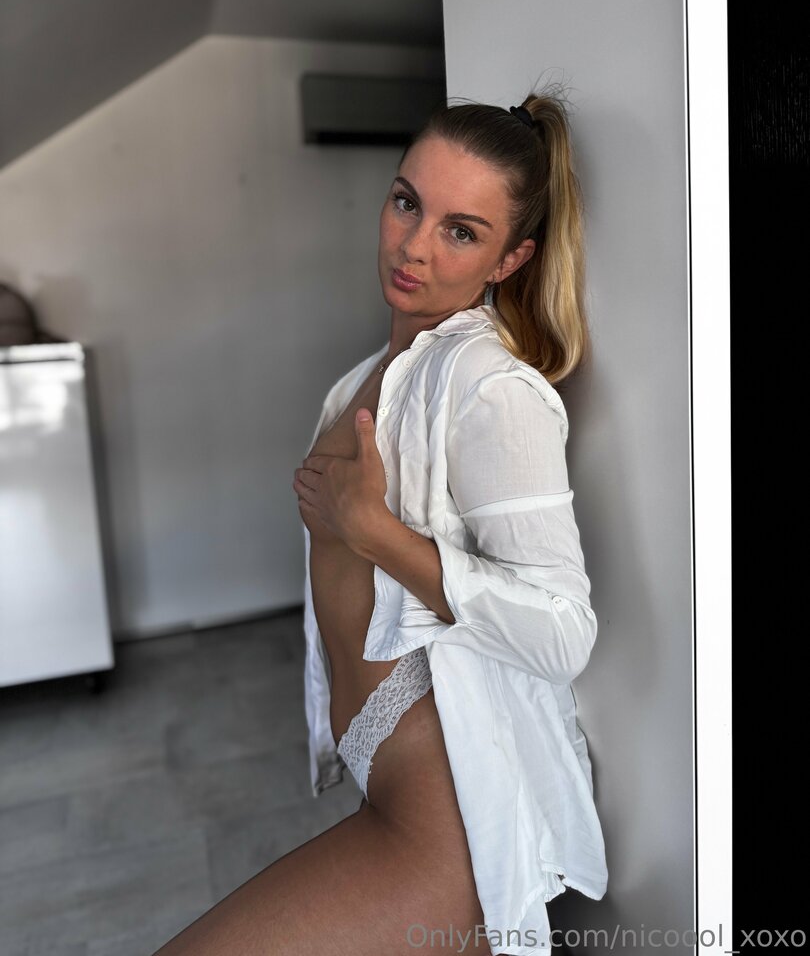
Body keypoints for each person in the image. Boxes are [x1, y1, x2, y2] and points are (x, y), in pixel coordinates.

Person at [153, 93, 608, 956]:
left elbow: (563, 631)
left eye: (461, 231)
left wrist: (379, 535)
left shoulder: (490, 389)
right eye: (407, 202)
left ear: (511, 258)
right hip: (385, 777)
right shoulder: (362, 379)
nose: (413, 245)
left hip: (442, 826)